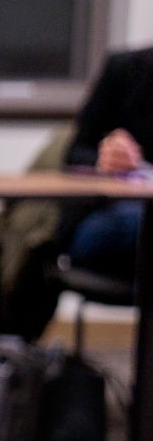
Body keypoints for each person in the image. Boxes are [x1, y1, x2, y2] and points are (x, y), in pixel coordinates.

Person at [59, 45, 153, 278]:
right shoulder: (127, 70)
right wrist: (103, 159)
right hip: (109, 216)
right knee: (137, 222)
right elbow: (75, 153)